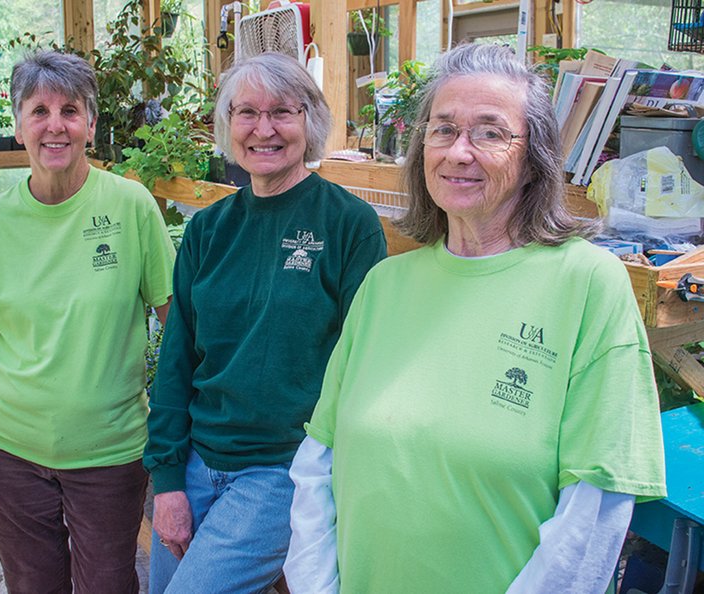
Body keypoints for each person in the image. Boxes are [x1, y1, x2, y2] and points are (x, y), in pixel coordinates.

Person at [284, 43, 667, 594]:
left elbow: (595, 511)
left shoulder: (587, 285)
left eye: (489, 132)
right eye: (442, 130)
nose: (459, 152)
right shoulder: (384, 287)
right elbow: (319, 463)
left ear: (534, 156)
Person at [143, 52, 387, 594]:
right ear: (228, 126)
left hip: (281, 469)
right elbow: (177, 358)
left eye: (283, 112)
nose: (264, 129)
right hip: (198, 461)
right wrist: (167, 481)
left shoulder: (348, 225)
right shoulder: (208, 230)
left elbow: (365, 365)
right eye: (246, 112)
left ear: (311, 122)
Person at [0, 50, 175, 593]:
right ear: (19, 124)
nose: (55, 125)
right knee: (33, 586)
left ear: (91, 124)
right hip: (9, 453)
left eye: (70, 110)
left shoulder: (131, 208)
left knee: (108, 584)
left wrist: (177, 435)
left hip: (110, 453)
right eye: (39, 109)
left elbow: (178, 324)